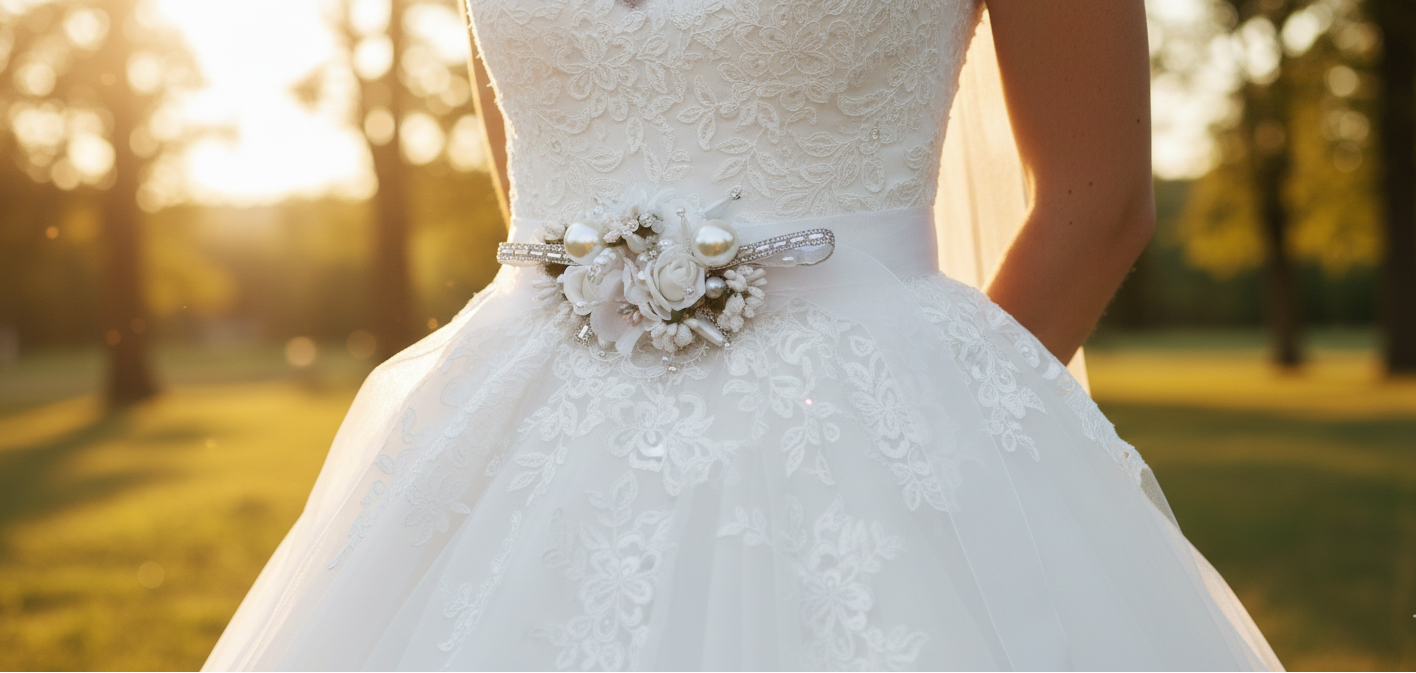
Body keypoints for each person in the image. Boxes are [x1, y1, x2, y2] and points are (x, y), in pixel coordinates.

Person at [204, 0, 1283, 669]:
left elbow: (1095, 203)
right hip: (514, 448)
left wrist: (926, 454)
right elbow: (540, 190)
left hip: (866, 457)